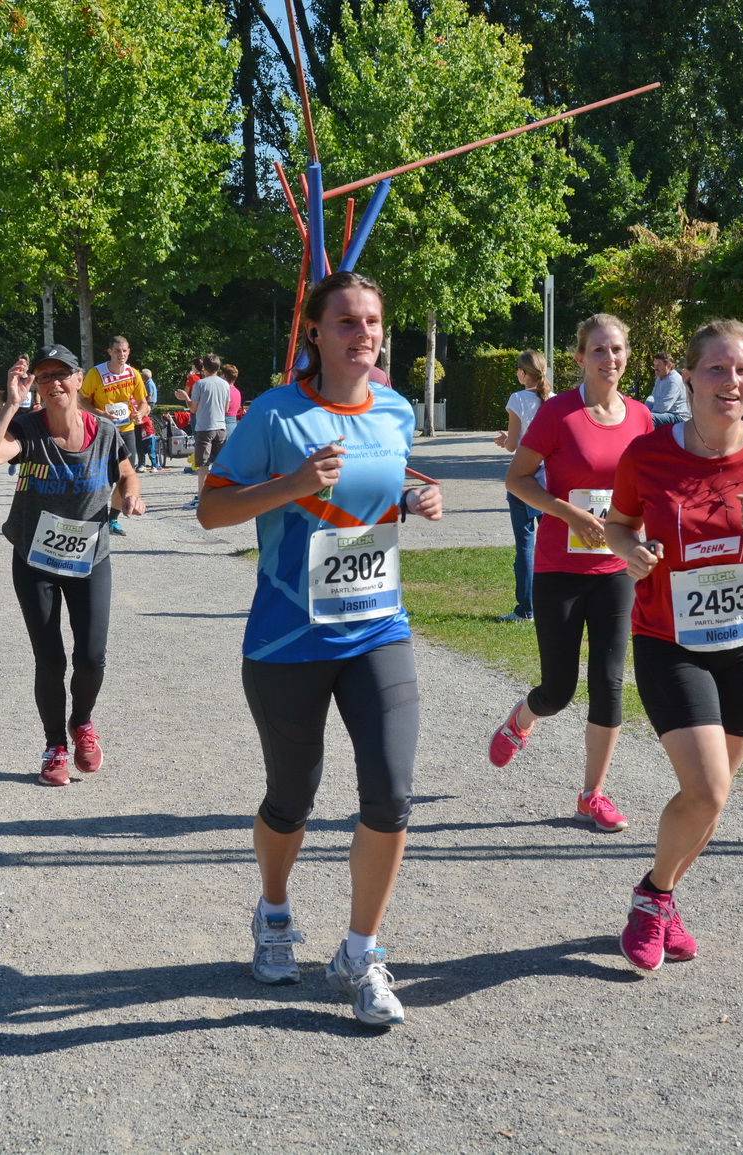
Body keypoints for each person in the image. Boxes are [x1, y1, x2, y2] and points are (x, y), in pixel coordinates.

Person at [198, 270, 443, 1027]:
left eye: (372, 321)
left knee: (391, 793)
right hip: (288, 642)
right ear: (315, 333)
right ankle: (273, 912)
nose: (363, 333)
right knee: (291, 798)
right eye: (346, 321)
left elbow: (388, 481)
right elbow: (210, 510)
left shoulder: (397, 409)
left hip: (378, 629)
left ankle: (359, 954)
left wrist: (416, 496)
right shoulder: (274, 415)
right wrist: (291, 482)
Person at [603, 319, 743, 970]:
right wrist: (630, 551)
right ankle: (649, 900)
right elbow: (617, 524)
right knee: (706, 787)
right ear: (690, 377)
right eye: (718, 370)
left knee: (714, 795)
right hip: (670, 640)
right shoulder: (648, 454)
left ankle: (662, 894)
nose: (732, 382)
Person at [491, 314, 653, 833]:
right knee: (558, 689)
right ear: (580, 358)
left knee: (609, 683)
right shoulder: (559, 413)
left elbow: (645, 492)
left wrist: (643, 540)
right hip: (560, 569)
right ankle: (523, 718)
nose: (610, 358)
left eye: (618, 349)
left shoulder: (642, 417)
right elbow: (517, 479)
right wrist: (570, 515)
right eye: (599, 350)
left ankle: (592, 794)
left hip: (614, 571)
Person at [0, 344, 144, 785]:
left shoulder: (104, 431)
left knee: (91, 656)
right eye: (44, 377)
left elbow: (125, 472)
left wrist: (131, 496)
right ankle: (54, 746)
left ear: (77, 378)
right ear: (38, 386)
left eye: (61, 375)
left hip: (90, 558)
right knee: (50, 659)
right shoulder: (27, 429)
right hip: (35, 559)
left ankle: (81, 722)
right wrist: (10, 404)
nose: (54, 384)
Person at [491, 350, 552, 623]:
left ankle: (526, 608)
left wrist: (504, 440)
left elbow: (514, 445)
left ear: (523, 373)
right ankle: (552, 602)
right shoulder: (553, 400)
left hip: (524, 478)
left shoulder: (518, 399)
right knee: (551, 544)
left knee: (525, 546)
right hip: (550, 480)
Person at [80, 336, 147, 535]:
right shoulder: (96, 373)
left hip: (125, 431)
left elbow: (143, 403)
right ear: (109, 352)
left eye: (125, 351)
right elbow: (81, 399)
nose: (122, 355)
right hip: (101, 430)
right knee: (97, 475)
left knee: (126, 476)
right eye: (117, 351)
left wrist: (139, 414)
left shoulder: (133, 373)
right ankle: (88, 514)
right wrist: (100, 414)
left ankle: (113, 519)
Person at [184, 354, 230, 511]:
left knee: (203, 464)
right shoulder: (225, 385)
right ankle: (222, 495)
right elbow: (226, 408)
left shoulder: (200, 384)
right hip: (221, 426)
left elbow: (193, 408)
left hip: (204, 427)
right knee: (220, 464)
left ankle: (202, 497)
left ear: (204, 368)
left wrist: (184, 396)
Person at [646, 352, 688, 427]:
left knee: (649, 419)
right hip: (665, 414)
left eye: (659, 365)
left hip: (678, 417)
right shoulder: (659, 378)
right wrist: (644, 409)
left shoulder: (673, 381)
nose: (655, 368)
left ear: (669, 366)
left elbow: (663, 407)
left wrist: (647, 415)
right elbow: (652, 397)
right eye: (654, 365)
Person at [223, 364, 243, 440]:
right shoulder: (237, 392)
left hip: (223, 425)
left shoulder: (224, 391)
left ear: (224, 376)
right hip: (233, 424)